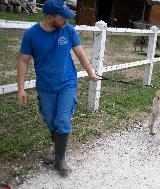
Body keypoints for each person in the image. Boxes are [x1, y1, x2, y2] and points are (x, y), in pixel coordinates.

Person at [17, 0, 100, 176]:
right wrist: (21, 88)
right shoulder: (31, 34)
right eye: (63, 18)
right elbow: (23, 61)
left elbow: (80, 53)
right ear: (49, 17)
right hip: (45, 87)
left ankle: (60, 160)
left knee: (62, 120)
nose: (67, 22)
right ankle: (57, 152)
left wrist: (90, 72)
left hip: (67, 84)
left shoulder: (68, 30)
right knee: (50, 120)